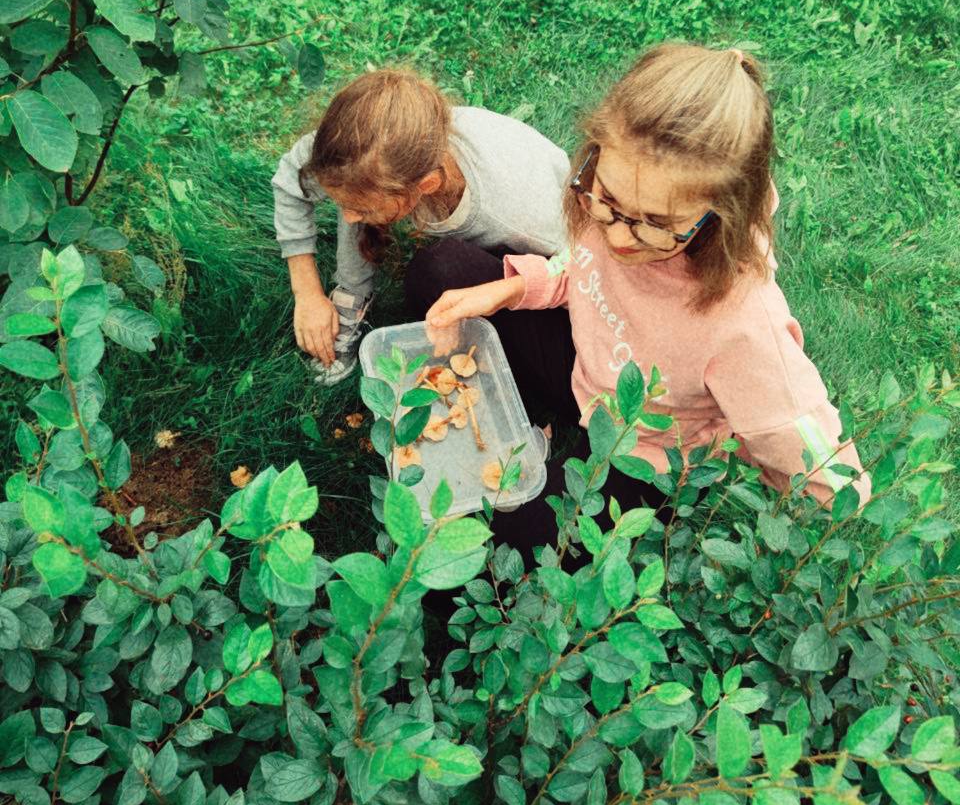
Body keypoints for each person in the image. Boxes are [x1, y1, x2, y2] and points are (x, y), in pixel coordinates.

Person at [407, 43, 869, 559]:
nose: (621, 238)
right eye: (606, 202)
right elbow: (578, 269)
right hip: (589, 374)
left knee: (485, 549)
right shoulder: (608, 200)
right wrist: (512, 288)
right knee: (440, 271)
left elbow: (801, 437)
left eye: (656, 225)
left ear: (723, 214)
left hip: (643, 449)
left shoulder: (743, 327)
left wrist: (828, 497)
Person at [272, 68, 570, 384]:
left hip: (560, 249)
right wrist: (306, 291)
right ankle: (352, 291)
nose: (345, 217)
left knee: (437, 270)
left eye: (360, 208)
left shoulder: (514, 219)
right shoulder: (362, 148)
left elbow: (578, 265)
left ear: (426, 185)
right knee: (358, 196)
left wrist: (503, 291)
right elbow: (293, 178)